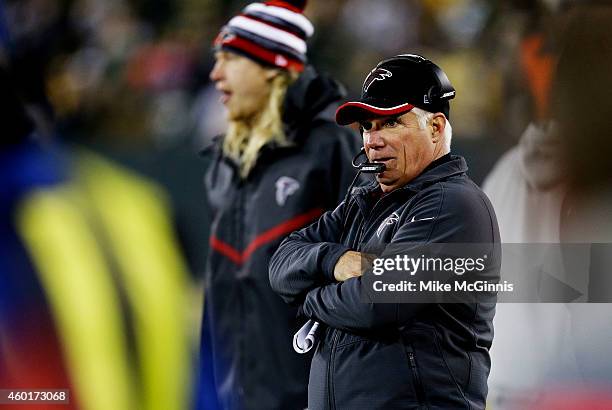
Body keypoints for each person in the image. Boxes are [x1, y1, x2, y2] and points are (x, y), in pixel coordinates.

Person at [269, 54, 500, 409]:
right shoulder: (361, 204)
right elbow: (280, 264)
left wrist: (310, 299)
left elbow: (378, 302)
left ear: (436, 128)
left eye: (391, 123)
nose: (373, 140)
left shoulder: (453, 205)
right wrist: (335, 260)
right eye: (367, 126)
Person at [198, 1, 360, 409]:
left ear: (272, 66)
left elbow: (366, 278)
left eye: (231, 59)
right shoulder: (225, 161)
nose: (215, 74)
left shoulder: (332, 146)